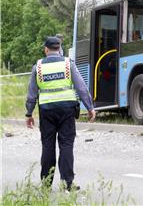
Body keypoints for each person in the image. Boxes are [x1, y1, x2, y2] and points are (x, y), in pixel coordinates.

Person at [25, 36, 96, 191]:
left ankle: (46, 185)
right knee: (66, 145)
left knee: (48, 146)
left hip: (46, 111)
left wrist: (28, 113)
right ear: (59, 48)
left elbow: (31, 94)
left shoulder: (38, 67)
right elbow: (81, 87)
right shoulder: (67, 64)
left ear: (46, 49)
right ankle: (67, 184)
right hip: (67, 111)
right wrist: (90, 107)